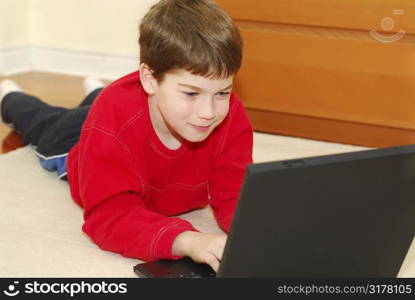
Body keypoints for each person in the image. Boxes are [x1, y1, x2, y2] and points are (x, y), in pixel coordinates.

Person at [0, 0, 253, 273]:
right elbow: (109, 216)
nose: (208, 112)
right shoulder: (110, 127)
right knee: (44, 121)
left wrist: (258, 230)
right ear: (150, 79)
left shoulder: (227, 115)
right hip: (73, 140)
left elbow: (234, 190)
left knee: (102, 103)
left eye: (223, 93)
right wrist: (187, 240)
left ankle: (95, 90)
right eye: (191, 93)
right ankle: (10, 97)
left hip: (121, 112)